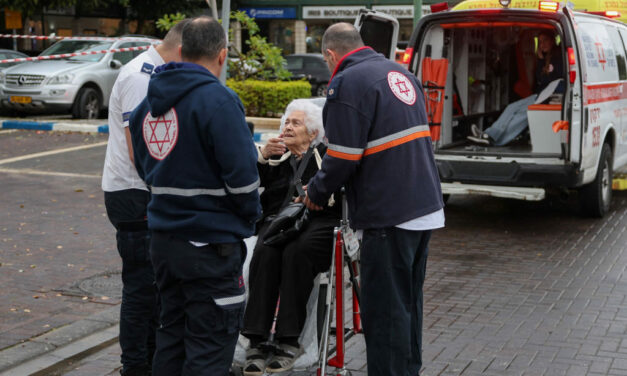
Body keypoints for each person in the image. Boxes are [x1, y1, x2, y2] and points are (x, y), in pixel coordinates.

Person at [303, 23, 445, 376]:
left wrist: (315, 193)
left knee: (384, 315)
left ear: (331, 55)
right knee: (408, 306)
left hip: (389, 215)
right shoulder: (400, 73)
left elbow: (343, 156)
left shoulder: (348, 83)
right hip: (424, 207)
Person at [128, 16, 261, 376]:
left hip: (165, 243)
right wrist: (249, 218)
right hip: (211, 247)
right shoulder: (219, 101)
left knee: (171, 339)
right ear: (222, 55)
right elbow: (244, 180)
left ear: (182, 51)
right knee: (209, 347)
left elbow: (142, 163)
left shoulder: (148, 104)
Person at [101, 19, 189, 376]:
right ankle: (134, 367)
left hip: (143, 190)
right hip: (135, 193)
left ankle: (152, 362)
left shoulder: (157, 72)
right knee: (141, 287)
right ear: (183, 50)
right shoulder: (142, 77)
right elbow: (139, 146)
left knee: (155, 286)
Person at [241, 99, 340, 376]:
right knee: (265, 251)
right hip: (277, 222)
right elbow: (252, 182)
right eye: (286, 122)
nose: (287, 127)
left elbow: (340, 190)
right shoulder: (277, 155)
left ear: (312, 133)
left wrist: (318, 194)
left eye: (295, 123)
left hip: (316, 221)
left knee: (297, 252)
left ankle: (288, 339)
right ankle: (256, 339)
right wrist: (262, 157)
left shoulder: (325, 156)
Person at [468, 29, 564, 146]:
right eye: (540, 42)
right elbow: (539, 78)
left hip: (549, 97)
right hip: (540, 95)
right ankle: (489, 135)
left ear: (553, 41)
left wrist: (541, 60)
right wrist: (540, 60)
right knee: (511, 108)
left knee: (521, 116)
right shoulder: (545, 58)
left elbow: (550, 80)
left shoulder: (559, 58)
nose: (542, 45)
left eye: (545, 41)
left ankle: (492, 139)